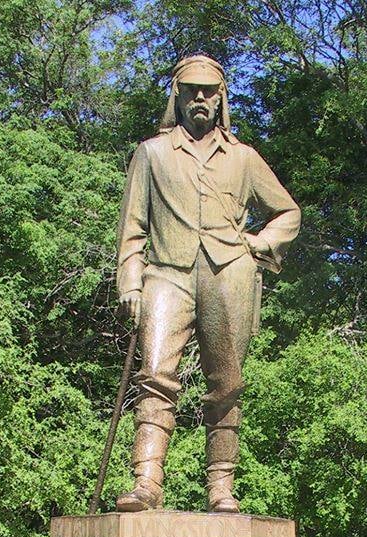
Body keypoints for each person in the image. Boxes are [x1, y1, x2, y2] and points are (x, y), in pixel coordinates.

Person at [116, 53, 300, 512]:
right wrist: (131, 281)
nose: (200, 98)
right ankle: (147, 483)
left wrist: (260, 245)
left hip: (228, 274)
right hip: (167, 274)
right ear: (176, 97)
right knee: (155, 374)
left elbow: (288, 212)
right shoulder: (151, 153)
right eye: (191, 90)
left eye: (209, 91)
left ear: (221, 99)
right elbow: (132, 227)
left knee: (227, 383)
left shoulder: (244, 158)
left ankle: (221, 489)